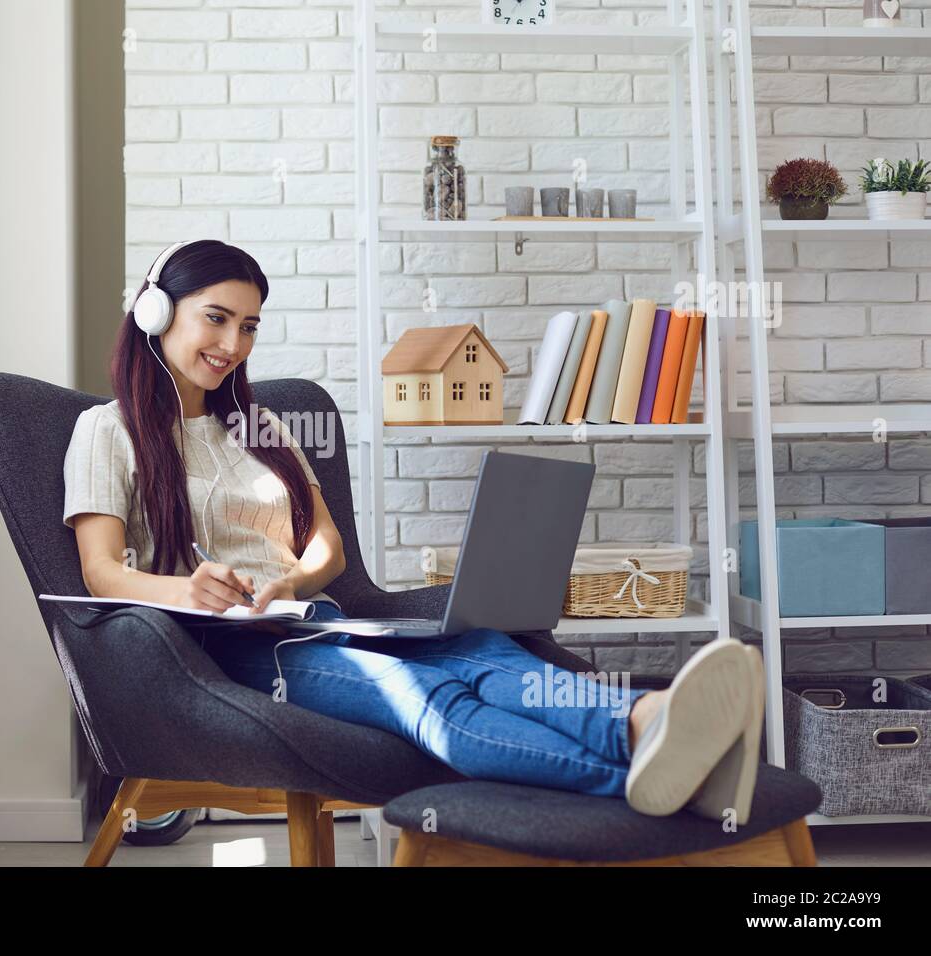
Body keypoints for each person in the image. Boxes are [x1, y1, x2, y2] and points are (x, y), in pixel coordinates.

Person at [64, 239, 762, 818]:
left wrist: (296, 579)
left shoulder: (261, 424)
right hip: (221, 649)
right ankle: (639, 781)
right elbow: (101, 571)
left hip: (311, 616)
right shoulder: (107, 431)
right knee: (422, 695)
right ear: (156, 314)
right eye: (216, 319)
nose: (232, 343)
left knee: (484, 646)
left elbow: (328, 543)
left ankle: (642, 723)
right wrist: (188, 589)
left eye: (247, 326)